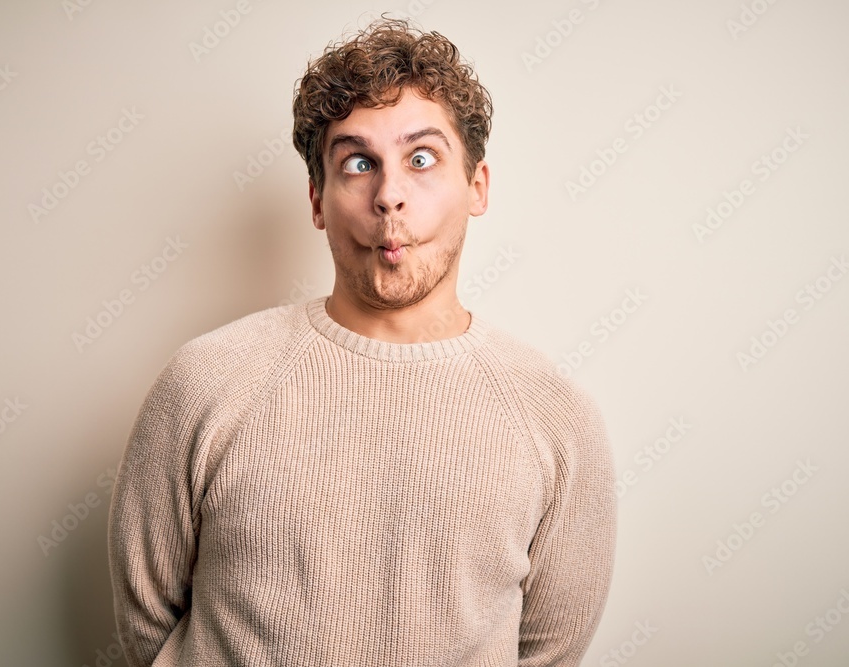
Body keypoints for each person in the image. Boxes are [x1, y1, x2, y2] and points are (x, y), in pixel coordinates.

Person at [108, 15, 617, 666]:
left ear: (477, 187)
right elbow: (146, 626)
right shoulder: (204, 381)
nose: (390, 196)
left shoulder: (558, 417)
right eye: (357, 162)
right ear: (318, 198)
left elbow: (549, 649)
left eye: (422, 158)